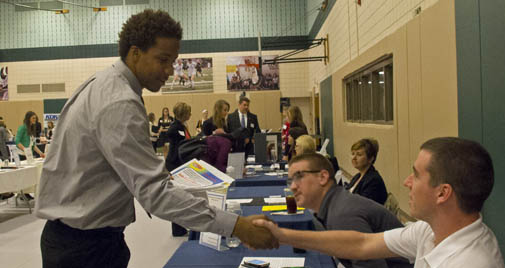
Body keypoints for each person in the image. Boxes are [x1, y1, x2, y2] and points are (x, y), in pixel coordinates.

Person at [35, 9, 277, 268]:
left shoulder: (105, 83)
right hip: (84, 248)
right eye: (163, 60)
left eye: (172, 61)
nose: (170, 71)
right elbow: (154, 193)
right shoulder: (119, 101)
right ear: (135, 53)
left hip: (81, 239)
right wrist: (237, 226)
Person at [254, 137, 505, 268]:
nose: (407, 182)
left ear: (443, 193)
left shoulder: (472, 263)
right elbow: (362, 243)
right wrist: (282, 235)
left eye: (416, 175)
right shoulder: (429, 230)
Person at [287, 153, 411, 268]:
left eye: (299, 177)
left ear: (323, 177)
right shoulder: (336, 203)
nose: (292, 187)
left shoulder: (342, 214)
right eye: (290, 181)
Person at [165, 102, 193, 237]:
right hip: (174, 164)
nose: (191, 115)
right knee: (177, 198)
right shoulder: (174, 128)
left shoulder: (183, 126)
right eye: (188, 112)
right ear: (183, 114)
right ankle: (177, 229)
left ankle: (182, 226)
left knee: (183, 197)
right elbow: (174, 139)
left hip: (182, 164)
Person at [344, 138, 388, 205]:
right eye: (353, 154)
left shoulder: (373, 180)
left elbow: (363, 207)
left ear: (370, 159)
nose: (354, 158)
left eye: (359, 154)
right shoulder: (357, 176)